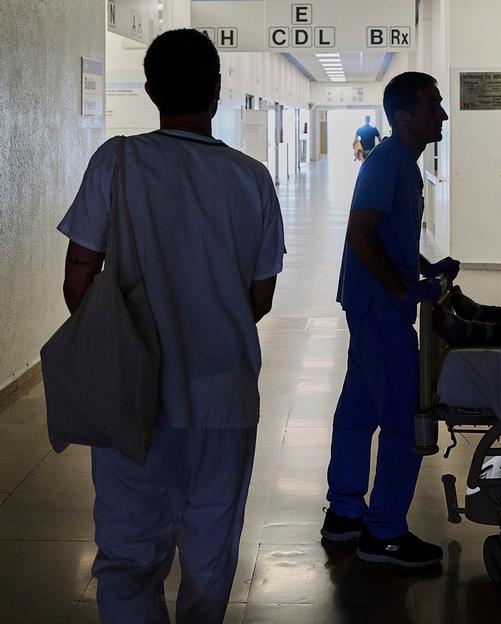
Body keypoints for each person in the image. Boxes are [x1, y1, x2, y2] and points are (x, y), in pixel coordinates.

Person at [56, 29, 284, 623]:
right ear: (216, 90)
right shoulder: (252, 179)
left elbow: (78, 284)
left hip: (131, 398)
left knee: (129, 556)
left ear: (152, 91)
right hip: (224, 398)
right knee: (210, 555)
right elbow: (259, 297)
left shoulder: (118, 160)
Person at [322, 72, 457, 567]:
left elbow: (389, 233)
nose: (441, 114)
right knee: (404, 417)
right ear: (403, 116)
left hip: (374, 302)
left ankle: (344, 513)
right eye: (432, 105)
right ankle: (382, 533)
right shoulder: (386, 163)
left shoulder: (403, 163)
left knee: (360, 407)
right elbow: (361, 234)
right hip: (380, 307)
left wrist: (424, 266)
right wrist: (401, 287)